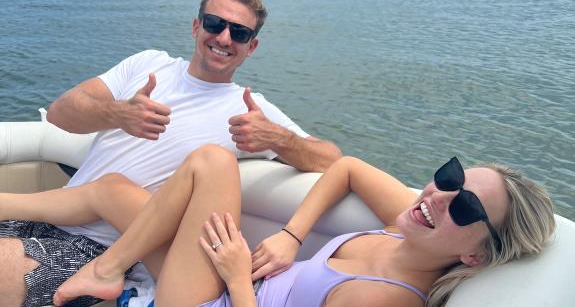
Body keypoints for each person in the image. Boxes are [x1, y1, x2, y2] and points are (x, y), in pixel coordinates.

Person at [0, 0, 341, 307]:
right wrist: (118, 114)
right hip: (54, 214)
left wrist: (278, 138)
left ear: (251, 47)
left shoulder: (250, 109)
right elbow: (61, 112)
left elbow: (330, 159)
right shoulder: (148, 65)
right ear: (196, 27)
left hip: (102, 247)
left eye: (239, 32)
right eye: (214, 23)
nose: (224, 37)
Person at [0, 146, 555, 306]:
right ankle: (108, 267)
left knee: (213, 162)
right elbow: (348, 167)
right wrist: (291, 235)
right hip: (223, 286)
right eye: (449, 175)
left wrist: (240, 278)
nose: (440, 196)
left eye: (466, 209)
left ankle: (108, 270)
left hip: (216, 299)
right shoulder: (410, 228)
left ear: (476, 257)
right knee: (114, 189)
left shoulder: (384, 299)